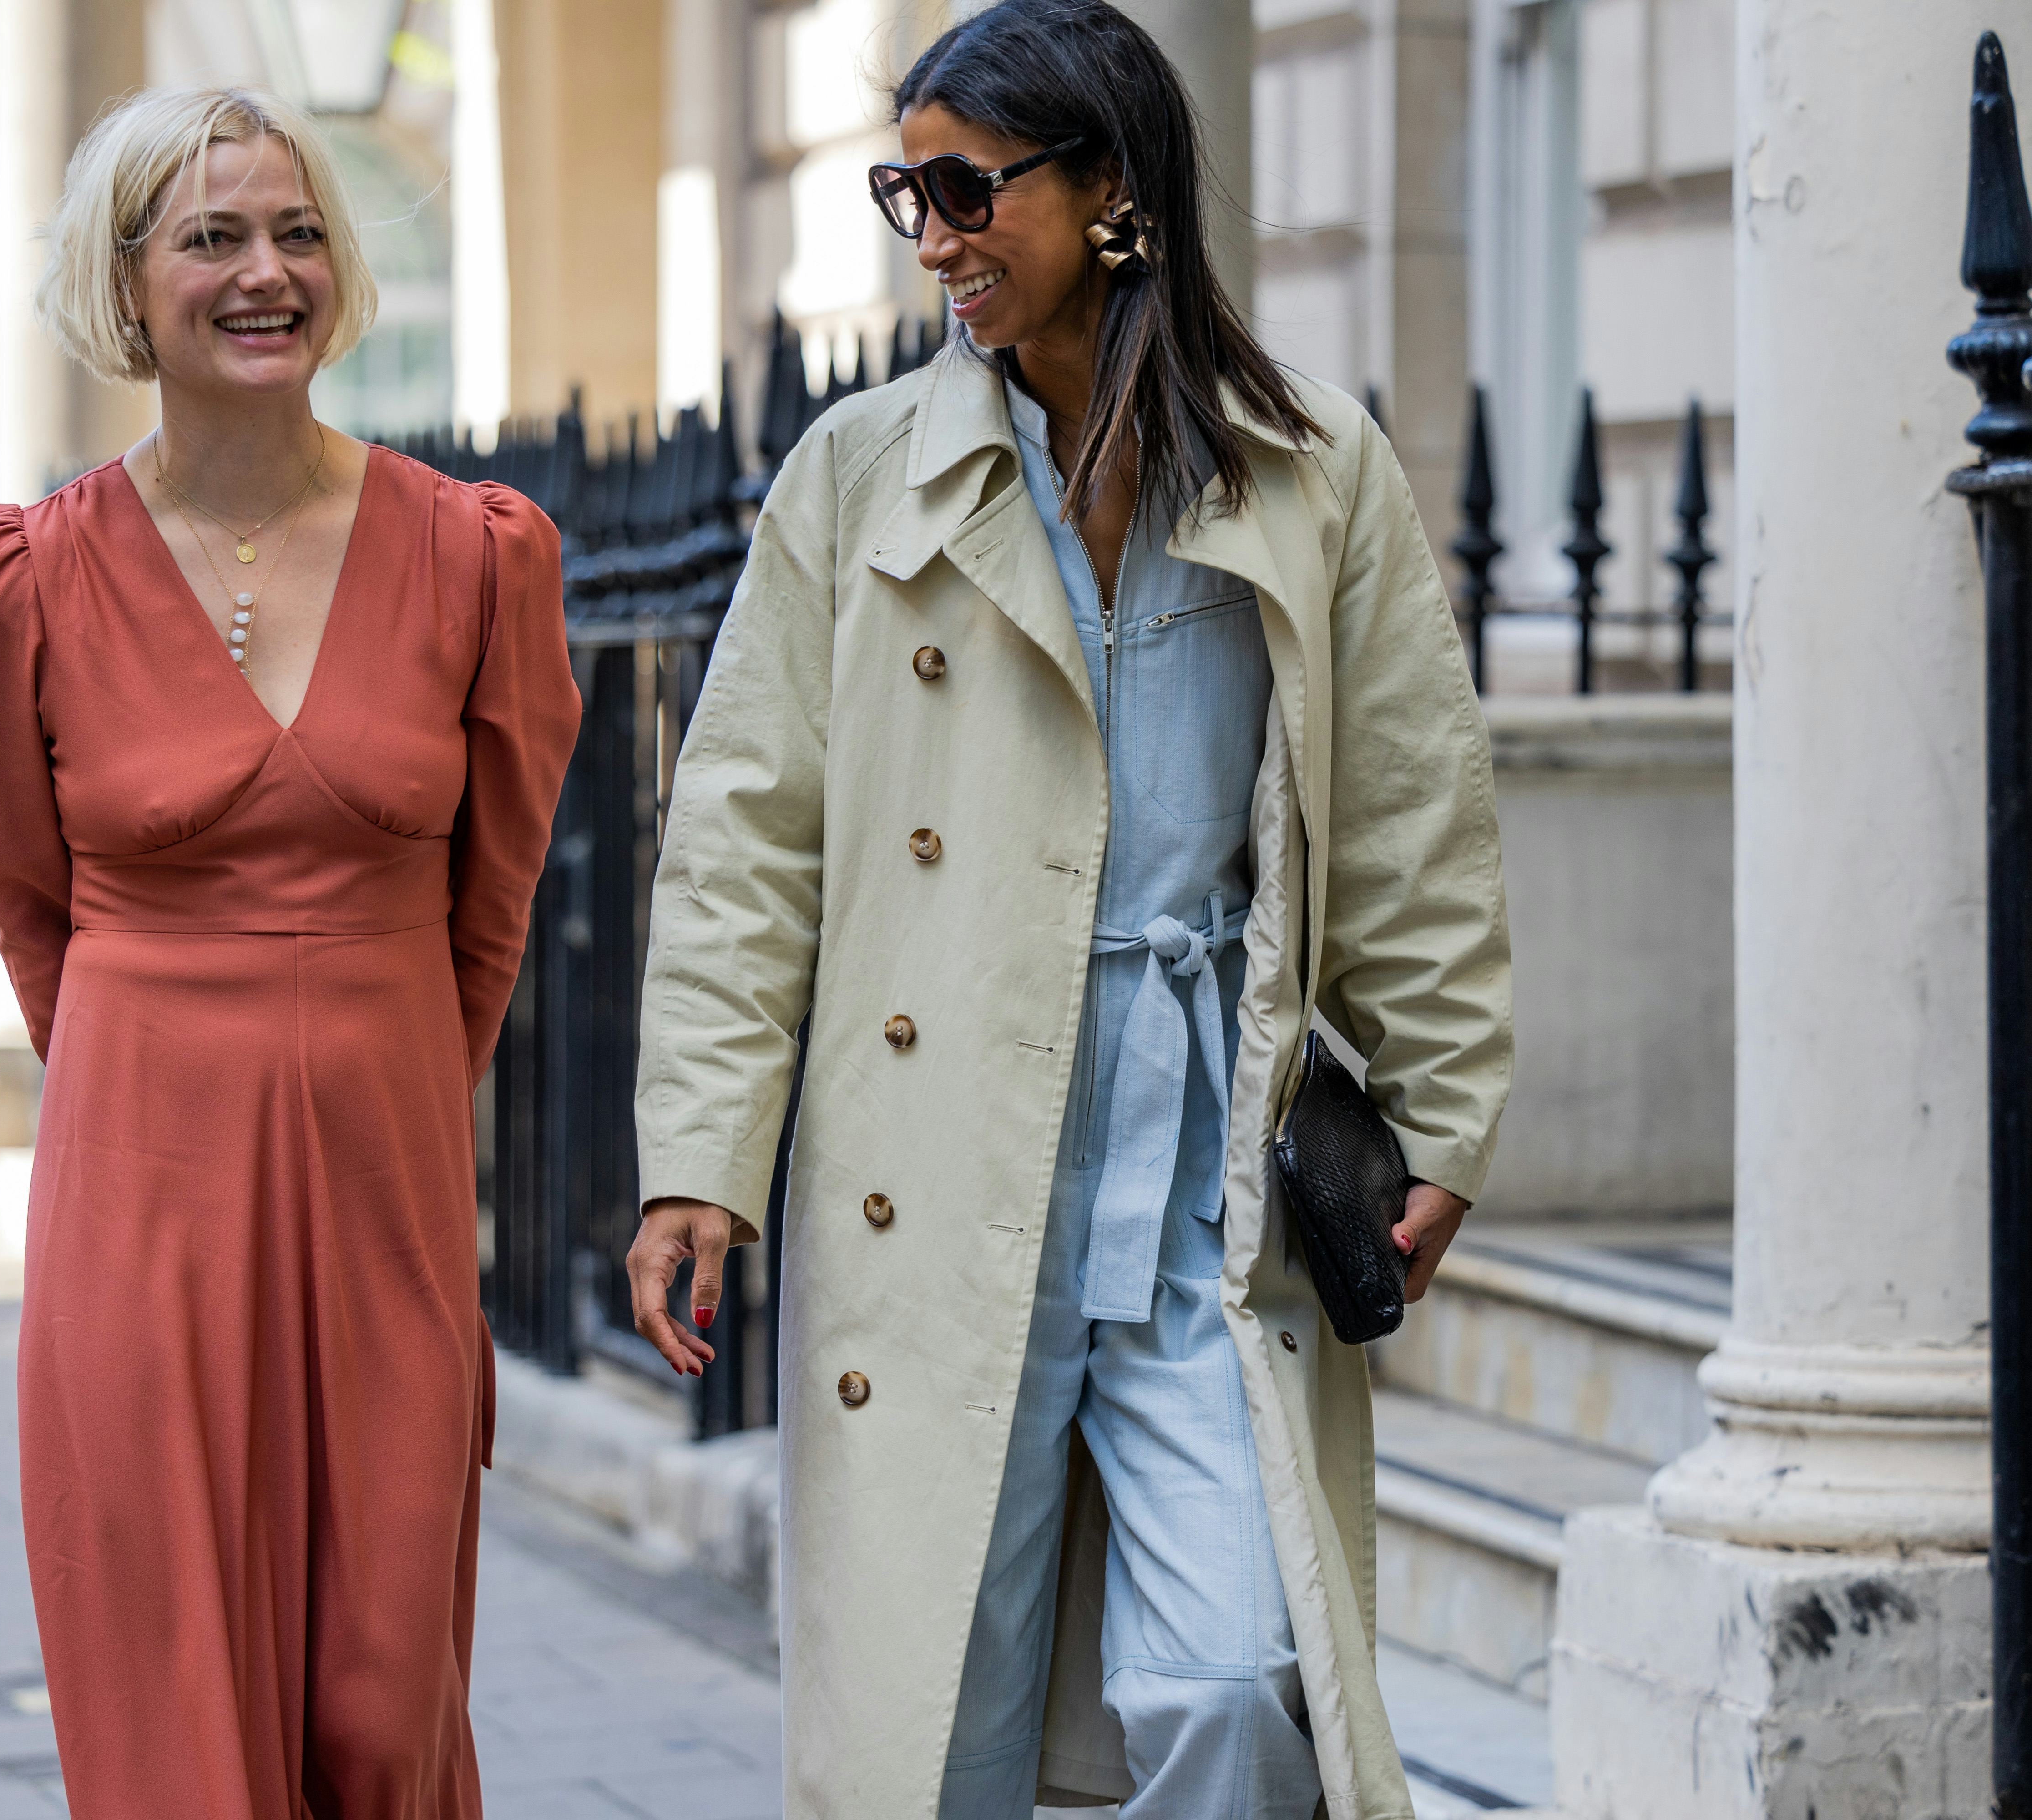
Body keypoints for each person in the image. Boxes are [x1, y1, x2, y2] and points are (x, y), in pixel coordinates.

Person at [628, 5, 1513, 1816]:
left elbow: (1416, 810)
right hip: (937, 1140)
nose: (934, 238)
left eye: (966, 189)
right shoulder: (858, 477)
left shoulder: (1307, 466)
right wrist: (699, 1157)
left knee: (1236, 1683)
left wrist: (1446, 1114)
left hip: (1202, 1145)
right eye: (907, 192)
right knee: (931, 1704)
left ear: (1110, 186)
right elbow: (747, 837)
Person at [0, 86, 577, 1818]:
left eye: (296, 231)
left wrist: (379, 1094)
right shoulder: (13, 582)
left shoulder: (474, 552)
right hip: (140, 1188)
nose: (264, 270)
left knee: (381, 1701)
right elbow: (21, 891)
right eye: (212, 236)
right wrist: (163, 1089)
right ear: (127, 282)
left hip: (386, 1173)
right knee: (173, 1714)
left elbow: (493, 901)